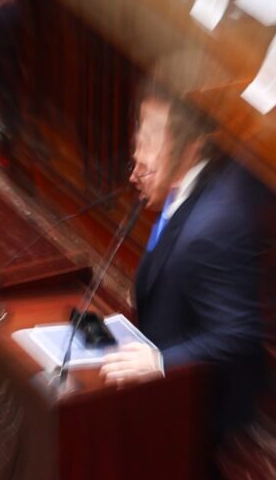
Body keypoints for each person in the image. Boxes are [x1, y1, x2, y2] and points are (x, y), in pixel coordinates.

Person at [99, 80, 270, 435]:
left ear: (191, 146)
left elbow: (238, 335)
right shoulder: (191, 184)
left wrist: (160, 362)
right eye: (139, 137)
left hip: (202, 418)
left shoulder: (210, 229)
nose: (138, 159)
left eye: (150, 141)